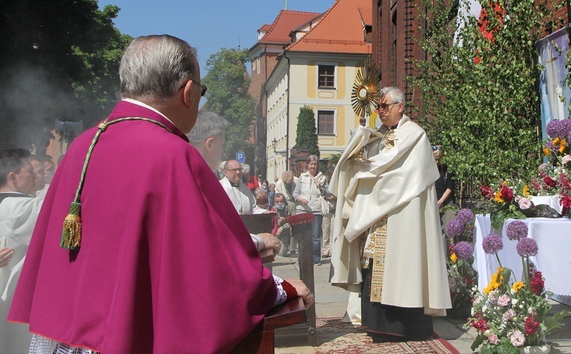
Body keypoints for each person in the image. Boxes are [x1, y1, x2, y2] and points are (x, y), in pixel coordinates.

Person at [9, 35, 311, 353]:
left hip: (68, 338)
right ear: (188, 92)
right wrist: (280, 288)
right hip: (128, 338)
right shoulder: (172, 154)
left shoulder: (83, 145)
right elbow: (210, 269)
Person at [330, 86, 451, 341]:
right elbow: (371, 166)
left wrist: (368, 179)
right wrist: (359, 152)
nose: (381, 111)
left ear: (400, 107)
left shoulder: (415, 135)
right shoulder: (378, 136)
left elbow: (403, 176)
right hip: (378, 216)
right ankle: (377, 325)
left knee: (404, 267)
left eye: (385, 106)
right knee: (374, 266)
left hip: (403, 215)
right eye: (379, 107)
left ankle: (405, 327)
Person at [189, 110, 278, 253]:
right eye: (222, 144)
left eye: (239, 170)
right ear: (210, 144)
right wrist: (259, 240)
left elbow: (253, 208)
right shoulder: (213, 186)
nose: (223, 151)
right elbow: (216, 237)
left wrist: (264, 213)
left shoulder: (244, 188)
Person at [0, 149, 47, 354]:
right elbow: (48, 205)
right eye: (30, 171)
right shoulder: (13, 207)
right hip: (10, 308)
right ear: (12, 177)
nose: (37, 177)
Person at [294, 155, 331, 265]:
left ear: (317, 166)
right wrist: (300, 199)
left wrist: (320, 187)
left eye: (315, 164)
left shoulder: (322, 178)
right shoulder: (302, 177)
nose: (313, 166)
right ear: (307, 165)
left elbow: (328, 194)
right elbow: (295, 194)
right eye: (311, 164)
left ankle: (315, 258)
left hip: (316, 210)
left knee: (316, 237)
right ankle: (302, 257)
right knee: (302, 236)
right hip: (302, 209)